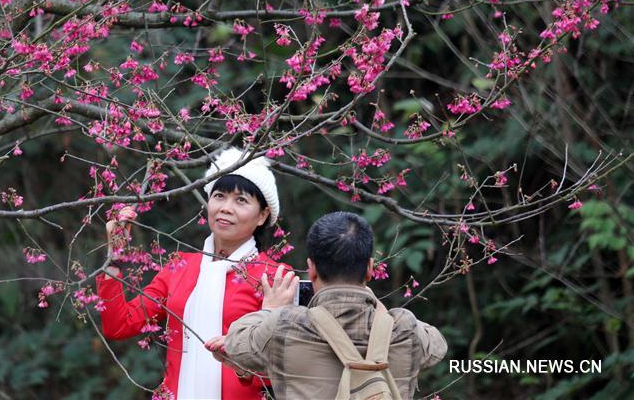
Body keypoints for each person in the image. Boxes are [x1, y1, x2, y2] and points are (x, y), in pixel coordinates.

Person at [96, 148, 291, 400]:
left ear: (263, 215)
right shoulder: (179, 268)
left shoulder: (275, 277)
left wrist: (270, 318)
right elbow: (118, 325)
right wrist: (115, 257)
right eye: (219, 196)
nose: (226, 208)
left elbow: (286, 369)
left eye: (241, 200)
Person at [211, 211, 447, 399]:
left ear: (311, 268)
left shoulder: (283, 326)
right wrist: (380, 310)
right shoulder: (405, 328)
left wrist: (270, 309)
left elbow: (236, 342)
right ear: (369, 269)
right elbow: (438, 346)